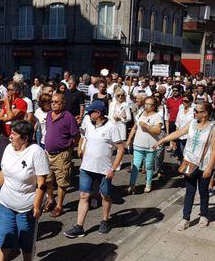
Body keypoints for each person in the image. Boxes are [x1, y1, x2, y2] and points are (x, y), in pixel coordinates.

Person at [0, 120, 49, 261]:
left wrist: (36, 206)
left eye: (14, 134)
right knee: (3, 239)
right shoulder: (9, 148)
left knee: (25, 242)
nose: (11, 137)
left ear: (25, 138)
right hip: (6, 204)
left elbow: (41, 183)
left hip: (26, 208)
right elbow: (4, 171)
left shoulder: (36, 152)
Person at [64, 100, 124, 238]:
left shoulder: (111, 127)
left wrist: (113, 169)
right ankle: (79, 227)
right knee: (84, 196)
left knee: (105, 196)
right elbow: (84, 137)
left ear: (98, 113)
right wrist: (81, 149)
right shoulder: (89, 124)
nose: (88, 113)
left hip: (104, 170)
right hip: (86, 168)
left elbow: (121, 148)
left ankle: (105, 221)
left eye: (91, 111)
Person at [154, 102, 215, 230]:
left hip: (204, 164)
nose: (194, 113)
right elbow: (179, 133)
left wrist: (210, 167)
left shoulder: (213, 128)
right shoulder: (192, 123)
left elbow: (214, 150)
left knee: (203, 191)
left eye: (197, 111)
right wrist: (163, 140)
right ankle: (185, 218)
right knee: (189, 191)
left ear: (205, 113)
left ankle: (203, 215)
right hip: (189, 162)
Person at [43, 93, 79, 218]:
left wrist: (69, 149)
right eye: (52, 102)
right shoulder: (48, 115)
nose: (53, 104)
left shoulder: (68, 117)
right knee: (47, 180)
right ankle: (50, 199)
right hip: (48, 154)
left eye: (56, 102)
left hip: (62, 155)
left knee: (61, 182)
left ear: (62, 104)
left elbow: (76, 135)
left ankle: (59, 206)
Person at [126, 96, 162, 193]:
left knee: (149, 166)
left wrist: (146, 126)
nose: (146, 106)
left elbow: (158, 131)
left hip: (150, 146)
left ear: (154, 106)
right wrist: (129, 139)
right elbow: (134, 127)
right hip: (138, 144)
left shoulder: (157, 116)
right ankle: (132, 185)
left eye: (149, 104)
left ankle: (148, 184)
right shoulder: (141, 113)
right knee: (136, 166)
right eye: (145, 103)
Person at [0, 82, 27, 167]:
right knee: (0, 160)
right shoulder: (6, 103)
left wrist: (8, 104)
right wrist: (5, 118)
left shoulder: (22, 103)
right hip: (5, 134)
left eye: (9, 89)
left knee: (14, 161)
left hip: (16, 135)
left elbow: (10, 116)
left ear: (15, 91)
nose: (7, 91)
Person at [175, 93, 195, 162]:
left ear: (191, 102)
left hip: (189, 136)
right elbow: (177, 123)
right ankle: (182, 168)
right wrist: (176, 135)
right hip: (180, 136)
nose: (183, 102)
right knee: (180, 153)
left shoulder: (194, 111)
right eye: (182, 101)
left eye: (186, 101)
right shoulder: (181, 110)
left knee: (188, 154)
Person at [166, 85, 183, 153]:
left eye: (176, 90)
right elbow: (167, 111)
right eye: (173, 91)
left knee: (178, 135)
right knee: (172, 134)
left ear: (179, 91)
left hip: (180, 121)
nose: (175, 92)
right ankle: (172, 146)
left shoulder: (182, 100)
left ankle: (177, 147)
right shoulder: (169, 100)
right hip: (172, 120)